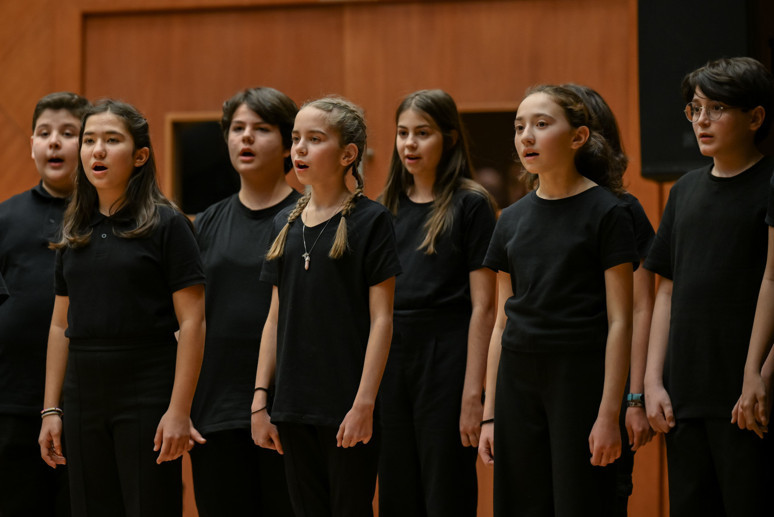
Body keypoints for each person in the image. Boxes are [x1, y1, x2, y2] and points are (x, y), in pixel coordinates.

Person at [38, 99, 206, 517]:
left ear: (139, 156)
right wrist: (51, 409)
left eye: (112, 140)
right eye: (89, 140)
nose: (97, 150)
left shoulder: (168, 224)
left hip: (146, 385)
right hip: (82, 391)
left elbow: (193, 321)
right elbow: (60, 325)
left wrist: (179, 411)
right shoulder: (74, 227)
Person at [478, 84, 637, 516]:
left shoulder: (608, 212)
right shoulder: (510, 219)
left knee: (580, 502)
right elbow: (501, 322)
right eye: (519, 127)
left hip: (579, 379)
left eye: (542, 124)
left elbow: (621, 321)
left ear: (578, 137)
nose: (526, 136)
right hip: (517, 382)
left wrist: (609, 415)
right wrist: (490, 414)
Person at [251, 97, 401, 517]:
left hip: (347, 404)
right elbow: (274, 318)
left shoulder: (372, 221)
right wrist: (260, 399)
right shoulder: (284, 223)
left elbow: (382, 319)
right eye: (296, 138)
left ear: (348, 154)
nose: (299, 148)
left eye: (314, 139)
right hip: (292, 404)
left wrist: (364, 404)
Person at [644, 57, 774, 516]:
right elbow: (665, 291)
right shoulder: (683, 191)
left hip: (746, 398)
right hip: (684, 396)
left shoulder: (769, 183)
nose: (701, 120)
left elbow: (772, 280)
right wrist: (652, 381)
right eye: (695, 109)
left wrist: (760, 373)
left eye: (716, 108)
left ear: (755, 117)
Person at [377, 89, 496, 517]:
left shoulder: (471, 204)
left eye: (422, 133)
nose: (409, 144)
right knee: (396, 490)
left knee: (445, 490)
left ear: (449, 138)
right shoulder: (383, 209)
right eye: (402, 133)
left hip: (446, 356)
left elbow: (485, 307)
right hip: (392, 356)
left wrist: (473, 394)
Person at [188, 87, 297, 516]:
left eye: (261, 129)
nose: (246, 138)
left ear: (288, 144)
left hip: (288, 408)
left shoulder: (308, 218)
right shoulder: (206, 222)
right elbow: (188, 318)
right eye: (237, 129)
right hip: (215, 408)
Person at [566, 84, 656, 515]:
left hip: (606, 385)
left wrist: (634, 398)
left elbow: (641, 309)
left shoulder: (622, 209)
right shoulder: (531, 209)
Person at [0, 91, 89, 517]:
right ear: (32, 145)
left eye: (68, 133)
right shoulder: (5, 217)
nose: (54, 141)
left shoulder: (104, 217)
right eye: (44, 133)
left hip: (88, 401)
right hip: (12, 400)